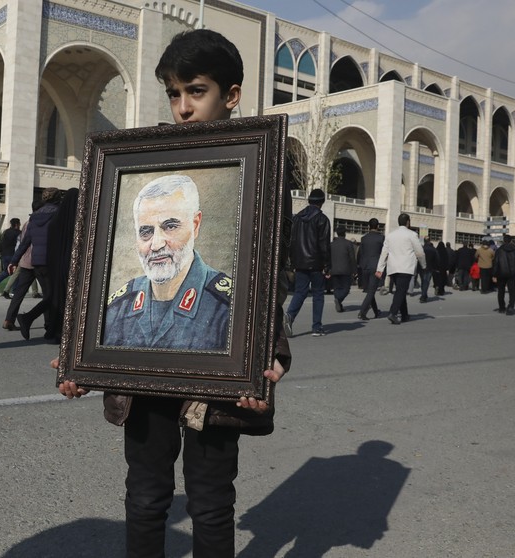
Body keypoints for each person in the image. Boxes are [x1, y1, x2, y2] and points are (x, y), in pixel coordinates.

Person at [58, 29, 291, 558]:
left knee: (209, 501)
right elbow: (88, 265)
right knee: (144, 497)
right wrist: (78, 355)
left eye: (197, 91)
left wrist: (267, 357)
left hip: (216, 378)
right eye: (174, 93)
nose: (184, 108)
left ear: (231, 95)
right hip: (141, 385)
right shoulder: (137, 157)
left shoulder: (262, 167)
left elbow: (270, 271)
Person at [103, 174, 231, 349]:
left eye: (170, 226)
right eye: (146, 232)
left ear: (195, 225)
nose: (156, 245)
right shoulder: (117, 308)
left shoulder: (227, 308)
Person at [8, 187, 69, 341]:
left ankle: (49, 329)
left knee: (50, 295)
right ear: (57, 198)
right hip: (53, 262)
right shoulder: (59, 214)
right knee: (54, 296)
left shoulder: (34, 217)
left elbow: (25, 242)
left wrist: (14, 260)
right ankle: (29, 319)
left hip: (38, 262)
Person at [284, 188, 331, 336]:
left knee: (300, 292)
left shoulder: (297, 218)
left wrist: (292, 262)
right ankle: (316, 327)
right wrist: (327, 265)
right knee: (318, 294)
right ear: (322, 202)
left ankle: (290, 315)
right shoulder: (322, 219)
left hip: (300, 262)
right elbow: (324, 245)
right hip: (316, 263)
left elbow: (292, 241)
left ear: (309, 201)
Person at [375, 213, 426, 325]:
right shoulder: (412, 234)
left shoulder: (390, 235)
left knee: (400, 290)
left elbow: (384, 253)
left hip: (393, 268)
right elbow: (420, 252)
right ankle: (393, 313)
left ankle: (405, 315)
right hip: (405, 267)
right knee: (401, 291)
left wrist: (380, 269)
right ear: (408, 222)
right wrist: (424, 265)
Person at [2, 201, 42, 331]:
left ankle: (8, 319)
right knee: (49, 295)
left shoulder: (26, 224)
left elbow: (22, 244)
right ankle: (49, 325)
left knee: (19, 294)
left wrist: (16, 259)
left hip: (25, 262)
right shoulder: (42, 222)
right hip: (38, 261)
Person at [356, 218, 384, 320]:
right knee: (371, 291)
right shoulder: (381, 238)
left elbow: (361, 253)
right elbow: (384, 253)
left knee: (369, 290)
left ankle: (376, 311)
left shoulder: (364, 238)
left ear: (369, 226)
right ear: (378, 226)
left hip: (365, 267)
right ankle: (362, 312)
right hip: (376, 267)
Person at [492, 234, 515, 315]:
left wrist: (494, 275)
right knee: (512, 291)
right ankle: (510, 307)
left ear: (503, 241)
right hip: (512, 274)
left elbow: (496, 263)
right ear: (510, 241)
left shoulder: (499, 251)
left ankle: (502, 308)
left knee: (501, 291)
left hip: (501, 274)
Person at [0, 217, 20, 296]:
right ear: (16, 224)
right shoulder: (18, 233)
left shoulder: (6, 232)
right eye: (19, 223)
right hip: (12, 255)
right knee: (16, 273)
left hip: (4, 254)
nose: (20, 225)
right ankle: (13, 292)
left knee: (7, 271)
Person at [329, 227, 357, 312]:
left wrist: (328, 269)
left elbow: (328, 258)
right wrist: (354, 270)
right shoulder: (348, 244)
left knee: (337, 288)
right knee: (346, 288)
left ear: (336, 233)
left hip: (334, 269)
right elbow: (352, 258)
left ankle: (339, 305)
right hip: (345, 269)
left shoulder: (332, 244)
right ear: (345, 233)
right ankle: (339, 299)